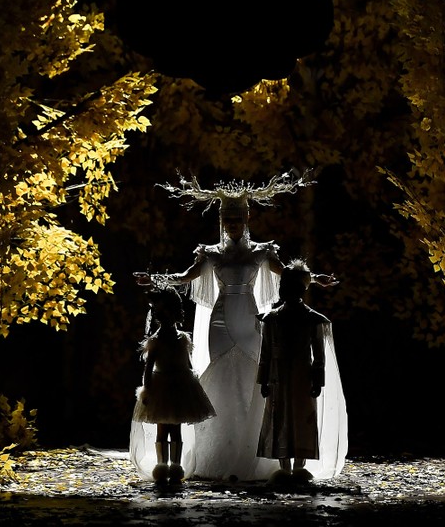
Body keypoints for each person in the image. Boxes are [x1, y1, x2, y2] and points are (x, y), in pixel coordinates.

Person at [130, 170, 347, 482]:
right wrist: (155, 279)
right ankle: (215, 452)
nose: (233, 225)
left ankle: (256, 453)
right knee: (221, 376)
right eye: (228, 221)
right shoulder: (210, 253)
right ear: (222, 222)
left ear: (247, 219)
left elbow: (287, 274)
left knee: (252, 375)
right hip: (219, 321)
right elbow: (185, 277)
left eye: (238, 220)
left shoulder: (262, 251)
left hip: (249, 315)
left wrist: (315, 278)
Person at [256, 258, 334, 485]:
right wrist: (264, 381)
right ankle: (284, 467)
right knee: (279, 417)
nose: (285, 290)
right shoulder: (271, 319)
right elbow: (266, 352)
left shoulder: (312, 319)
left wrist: (317, 381)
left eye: (291, 286)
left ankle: (299, 467)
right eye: (283, 286)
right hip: (278, 377)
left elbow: (318, 355)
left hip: (302, 375)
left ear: (301, 289)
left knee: (302, 418)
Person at [131, 285, 216, 485]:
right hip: (162, 388)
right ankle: (163, 466)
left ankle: (175, 466)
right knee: (163, 428)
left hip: (179, 385)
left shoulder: (182, 339)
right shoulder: (155, 342)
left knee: (175, 428)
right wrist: (147, 390)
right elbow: (148, 368)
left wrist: (193, 382)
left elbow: (188, 364)